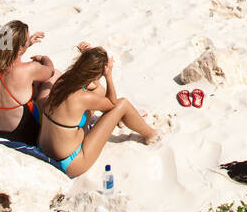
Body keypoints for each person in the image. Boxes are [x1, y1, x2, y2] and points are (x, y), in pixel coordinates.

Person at [37, 44, 160, 178]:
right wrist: (108, 77)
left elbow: (94, 86)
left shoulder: (63, 80)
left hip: (44, 148)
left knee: (98, 92)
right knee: (122, 104)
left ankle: (120, 120)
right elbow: (112, 103)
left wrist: (88, 57)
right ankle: (151, 134)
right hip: (70, 162)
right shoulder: (83, 98)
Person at [0, 21, 56, 146]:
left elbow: (7, 55)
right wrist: (44, 59)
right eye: (27, 39)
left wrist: (28, 43)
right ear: (20, 47)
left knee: (29, 86)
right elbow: (50, 71)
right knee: (53, 78)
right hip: (24, 136)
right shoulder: (27, 69)